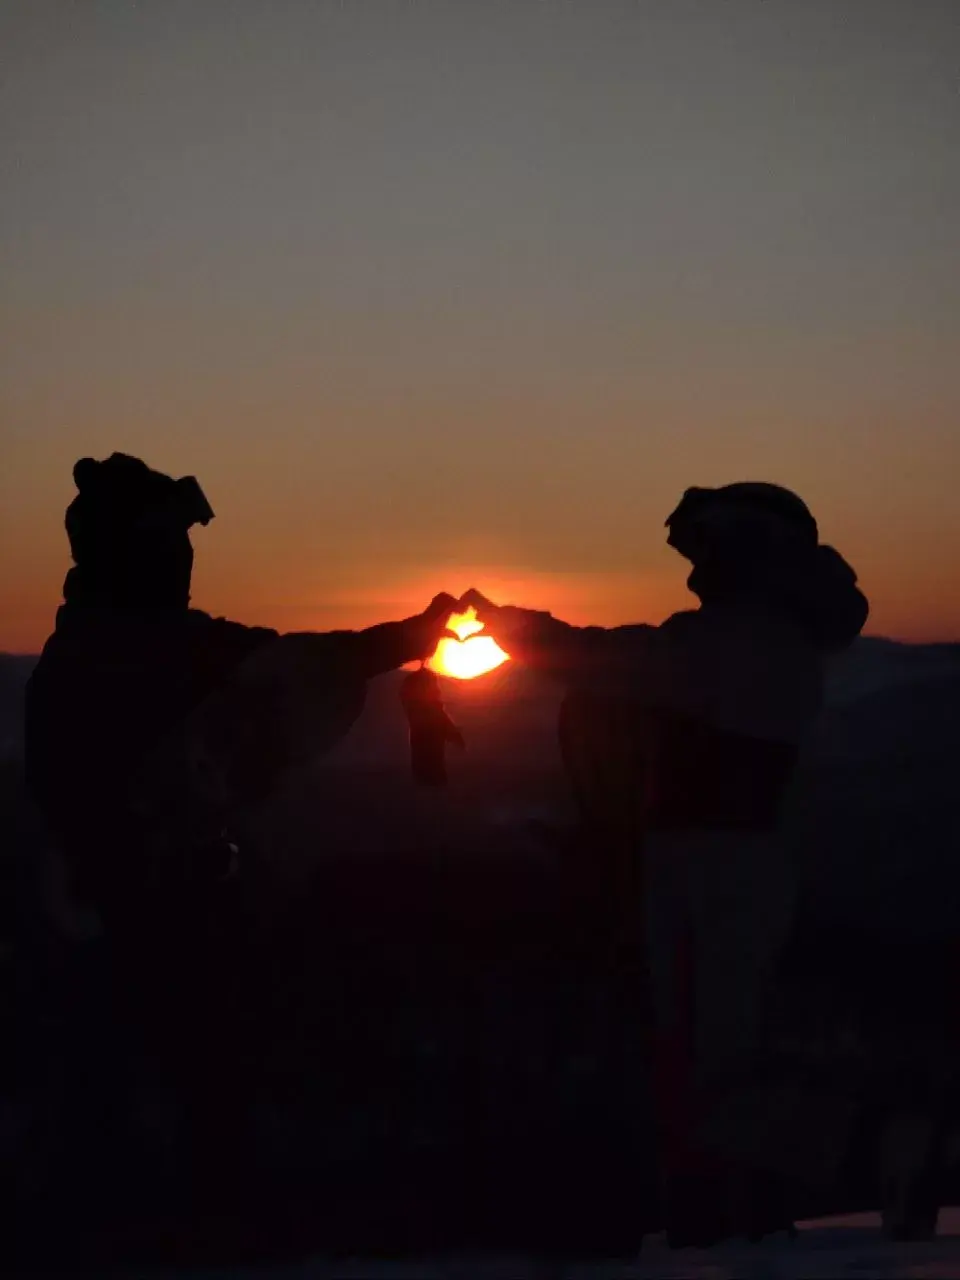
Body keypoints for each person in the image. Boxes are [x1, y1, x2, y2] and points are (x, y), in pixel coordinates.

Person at [23, 452, 458, 1209]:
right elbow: (291, 664)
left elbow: (281, 662)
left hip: (132, 909)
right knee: (167, 1096)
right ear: (137, 553)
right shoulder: (129, 652)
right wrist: (408, 637)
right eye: (172, 544)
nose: (186, 562)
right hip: (137, 913)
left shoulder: (109, 648)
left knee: (156, 1096)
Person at [462, 482, 869, 1246]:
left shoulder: (740, 638)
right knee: (715, 1042)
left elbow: (617, 664)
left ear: (745, 552)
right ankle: (734, 1207)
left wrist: (516, 626)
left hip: (716, 862)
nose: (695, 566)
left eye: (707, 548)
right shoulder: (768, 636)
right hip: (726, 856)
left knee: (713, 1049)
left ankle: (751, 1202)